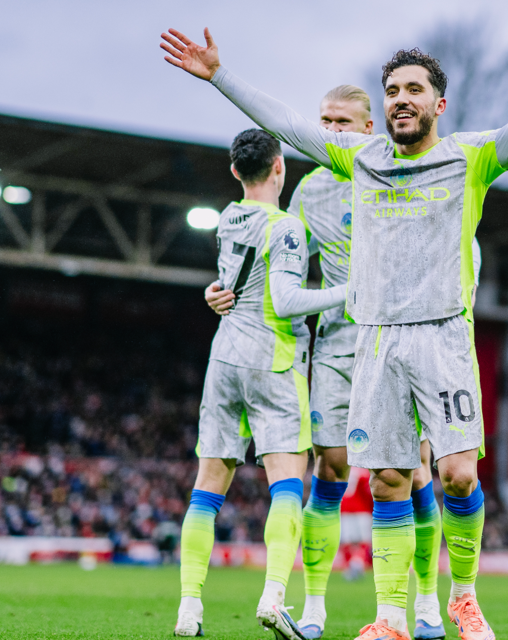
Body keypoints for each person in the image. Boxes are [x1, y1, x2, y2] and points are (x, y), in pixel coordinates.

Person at [161, 13, 508, 640]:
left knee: (457, 474)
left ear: (438, 103)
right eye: (392, 92)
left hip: (443, 336)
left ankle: (463, 598)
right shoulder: (360, 158)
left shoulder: (471, 158)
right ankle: (390, 617)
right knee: (388, 477)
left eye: (413, 90)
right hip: (375, 339)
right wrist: (219, 75)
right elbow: (287, 123)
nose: (401, 101)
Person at [204, 84, 482, 640]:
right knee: (328, 468)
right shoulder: (309, 191)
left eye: (344, 122)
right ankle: (315, 609)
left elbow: (462, 246)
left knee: (418, 472)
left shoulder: (398, 175)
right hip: (336, 346)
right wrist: (225, 288)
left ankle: (426, 600)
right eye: (324, 120)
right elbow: (281, 263)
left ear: (368, 129)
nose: (331, 130)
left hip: (405, 343)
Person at [174, 129, 347, 639]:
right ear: (279, 168)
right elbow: (289, 299)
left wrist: (213, 294)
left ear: (234, 172)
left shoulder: (228, 219)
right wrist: (347, 292)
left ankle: (189, 607)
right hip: (273, 363)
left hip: (223, 359)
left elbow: (229, 286)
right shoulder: (287, 226)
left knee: (206, 489)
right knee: (289, 485)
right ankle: (274, 595)